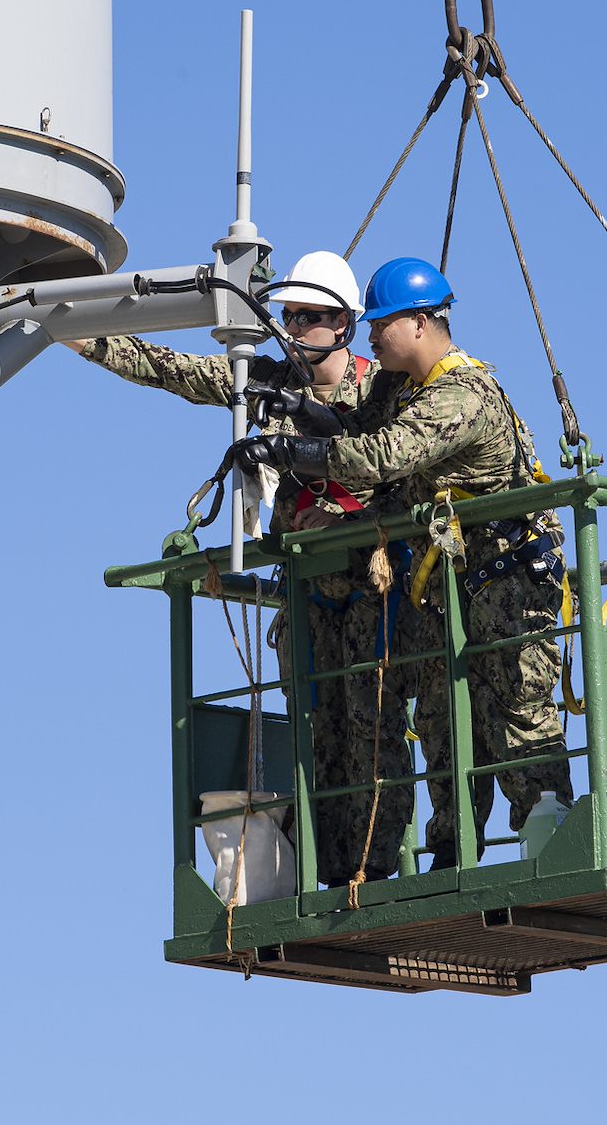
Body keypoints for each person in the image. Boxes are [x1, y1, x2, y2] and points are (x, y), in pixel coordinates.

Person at [69, 251, 411, 885]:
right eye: (289, 317)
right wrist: (81, 336)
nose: (294, 329)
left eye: (309, 317)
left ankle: (376, 866)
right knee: (317, 728)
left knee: (374, 726)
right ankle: (331, 869)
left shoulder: (384, 393)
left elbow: (409, 478)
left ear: (343, 323)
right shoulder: (269, 387)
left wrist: (349, 521)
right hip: (308, 594)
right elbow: (178, 371)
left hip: (372, 587)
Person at [235, 256, 574, 867]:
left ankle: (554, 850)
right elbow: (353, 427)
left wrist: (286, 450)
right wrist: (299, 411)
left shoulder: (462, 395)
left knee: (518, 717)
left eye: (381, 323)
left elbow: (379, 456)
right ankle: (450, 854)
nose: (370, 335)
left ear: (420, 323)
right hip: (450, 587)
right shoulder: (403, 388)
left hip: (509, 586)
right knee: (444, 725)